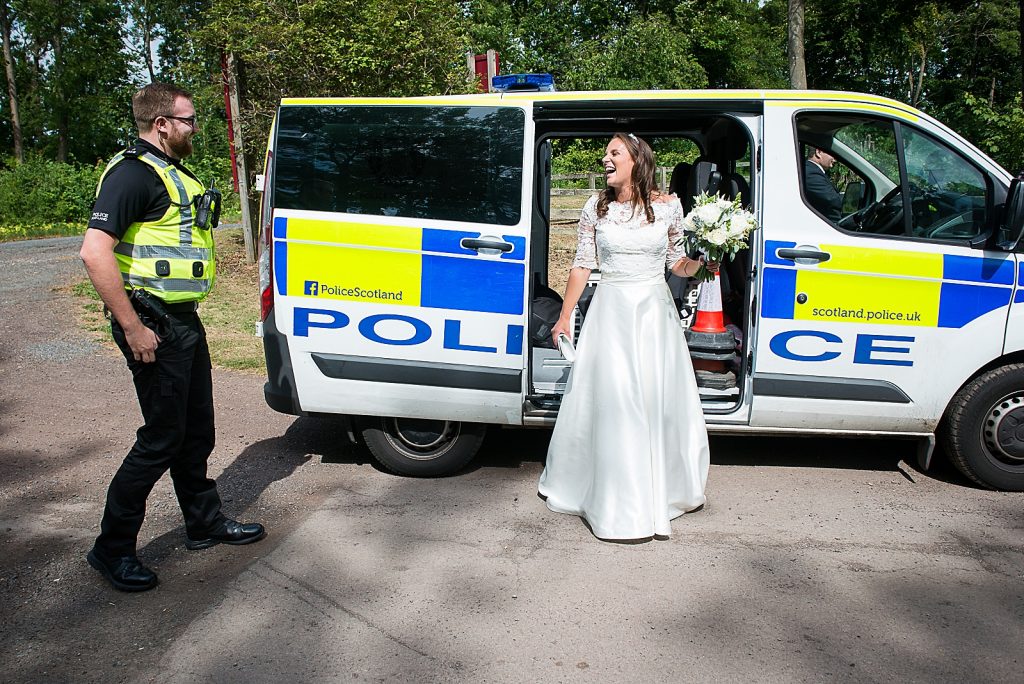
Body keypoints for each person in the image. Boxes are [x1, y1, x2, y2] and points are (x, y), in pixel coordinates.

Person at [80, 83, 265, 592]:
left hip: (182, 317)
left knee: (196, 429)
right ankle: (111, 549)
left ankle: (203, 523)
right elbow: (94, 253)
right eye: (187, 120)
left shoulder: (172, 172)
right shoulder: (131, 175)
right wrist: (133, 327)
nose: (194, 128)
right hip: (151, 322)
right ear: (161, 123)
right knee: (160, 438)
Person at [538, 133, 711, 541]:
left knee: (650, 400)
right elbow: (582, 265)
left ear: (637, 159)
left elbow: (677, 264)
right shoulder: (595, 208)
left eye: (613, 153)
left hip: (652, 314)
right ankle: (616, 498)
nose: (604, 159)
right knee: (617, 401)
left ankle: (657, 490)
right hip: (611, 312)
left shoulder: (669, 207)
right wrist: (565, 317)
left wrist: (705, 262)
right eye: (605, 153)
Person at [803, 146, 843, 222]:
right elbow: (833, 199)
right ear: (818, 152)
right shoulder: (811, 173)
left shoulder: (814, 171)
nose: (835, 160)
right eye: (832, 154)